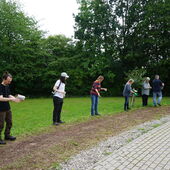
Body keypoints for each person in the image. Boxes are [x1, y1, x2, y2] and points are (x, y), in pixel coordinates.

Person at [0, 72, 20, 145]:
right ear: (4, 79)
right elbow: (1, 98)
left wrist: (15, 98)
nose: (9, 82)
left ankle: (7, 135)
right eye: (8, 81)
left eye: (10, 81)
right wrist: (11, 99)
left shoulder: (7, 86)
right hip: (1, 109)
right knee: (1, 124)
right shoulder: (0, 87)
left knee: (9, 122)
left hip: (7, 108)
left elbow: (8, 95)